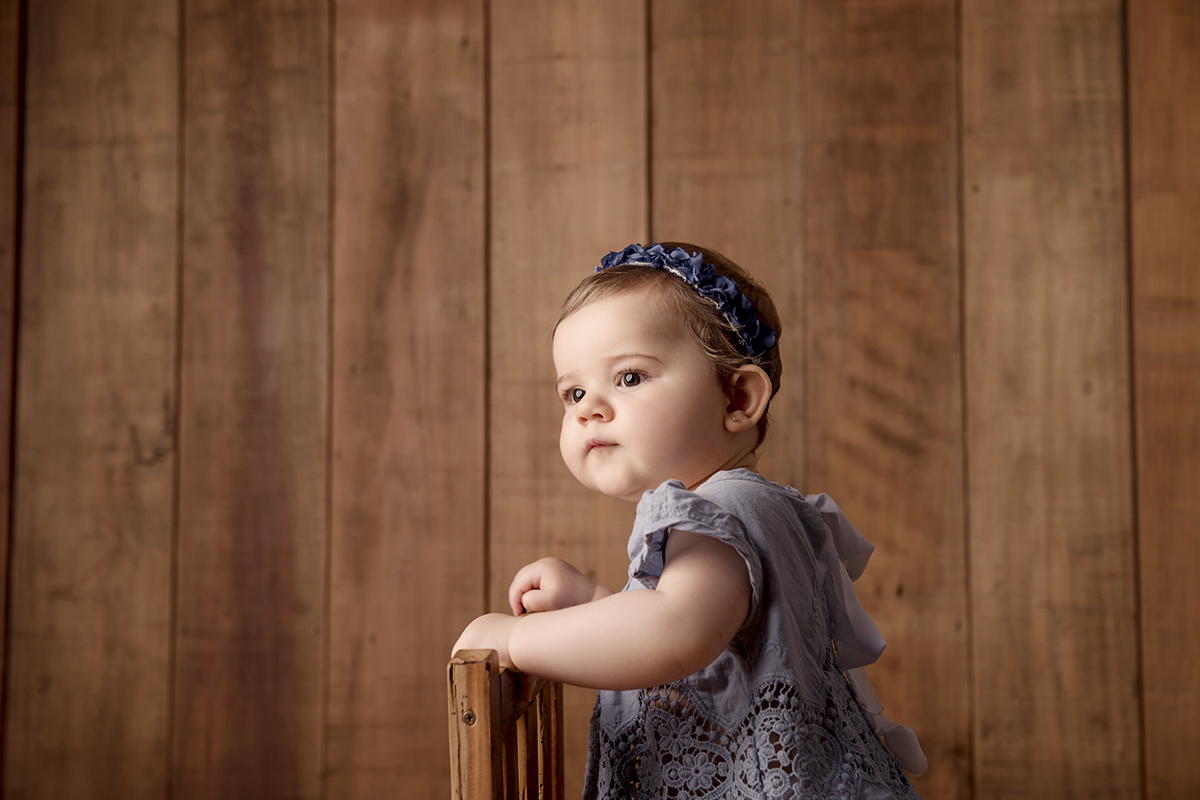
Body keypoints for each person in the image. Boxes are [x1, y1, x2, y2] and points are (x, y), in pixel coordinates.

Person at [453, 242, 926, 798]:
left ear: (737, 398)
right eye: (574, 392)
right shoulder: (757, 508)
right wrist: (590, 601)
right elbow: (711, 657)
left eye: (629, 377)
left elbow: (676, 631)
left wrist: (515, 639)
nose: (587, 410)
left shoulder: (720, 511)